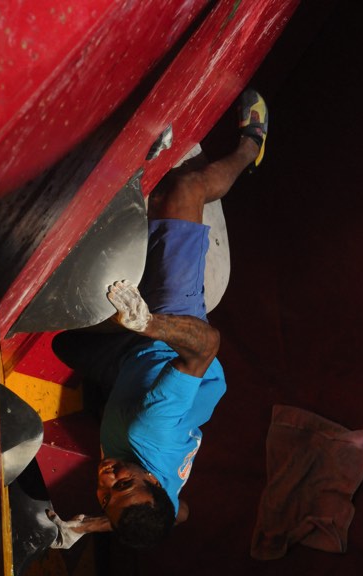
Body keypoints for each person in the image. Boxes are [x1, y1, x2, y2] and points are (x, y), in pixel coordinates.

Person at [50, 88, 268, 549]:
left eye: (105, 497)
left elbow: (180, 514)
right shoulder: (151, 429)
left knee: (64, 344)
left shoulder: (162, 501)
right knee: (184, 189)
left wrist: (89, 526)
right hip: (173, 345)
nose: (107, 479)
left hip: (129, 367)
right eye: (123, 484)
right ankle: (251, 147)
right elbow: (206, 346)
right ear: (152, 478)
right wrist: (146, 322)